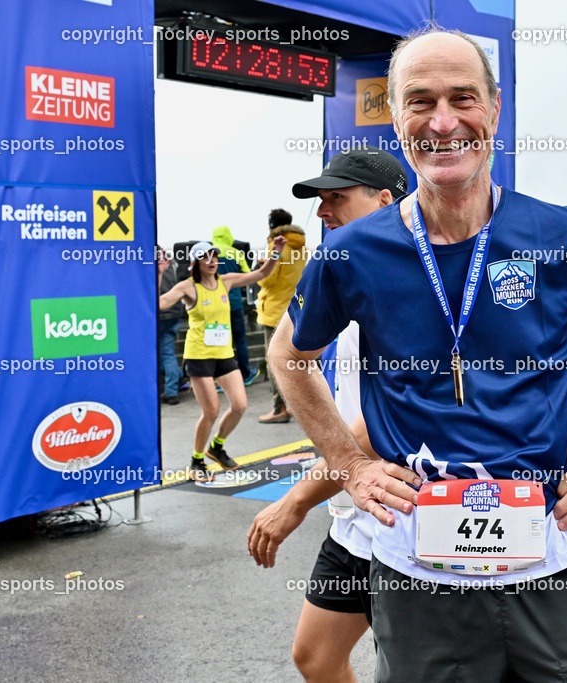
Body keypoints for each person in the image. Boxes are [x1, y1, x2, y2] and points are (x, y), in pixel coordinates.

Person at [268, 26, 567, 680]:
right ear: (397, 116)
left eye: (463, 98)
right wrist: (349, 464)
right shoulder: (353, 251)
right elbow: (287, 356)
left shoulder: (565, 232)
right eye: (420, 101)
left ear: (495, 108)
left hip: (556, 565)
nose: (443, 121)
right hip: (418, 577)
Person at [247, 146, 408, 682]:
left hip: (409, 516)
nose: (322, 211)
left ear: (386, 201)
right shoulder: (348, 272)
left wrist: (294, 501)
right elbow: (290, 357)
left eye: (337, 198)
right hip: (356, 515)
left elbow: (380, 425)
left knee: (412, 667)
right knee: (315, 657)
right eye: (320, 200)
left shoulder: (421, 287)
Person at [158, 236, 286, 480]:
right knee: (211, 411)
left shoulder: (225, 282)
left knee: (239, 405)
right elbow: (160, 303)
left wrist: (276, 252)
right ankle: (196, 461)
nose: (212, 261)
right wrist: (160, 274)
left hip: (224, 354)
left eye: (214, 256)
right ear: (195, 262)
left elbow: (260, 275)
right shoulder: (187, 287)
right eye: (206, 257)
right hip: (199, 357)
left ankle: (216, 446)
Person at [257, 209, 307, 424]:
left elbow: (267, 280)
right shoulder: (301, 246)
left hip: (275, 311)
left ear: (271, 225)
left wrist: (262, 267)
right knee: (297, 361)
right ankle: (301, 406)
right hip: (296, 309)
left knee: (275, 362)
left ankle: (280, 408)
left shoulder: (276, 247)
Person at [212, 226, 261, 386]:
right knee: (240, 341)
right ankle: (245, 374)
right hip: (234, 304)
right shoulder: (235, 253)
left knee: (219, 342)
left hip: (215, 305)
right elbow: (248, 275)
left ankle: (220, 380)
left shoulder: (209, 254)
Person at [157, 249, 183, 405]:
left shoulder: (147, 263)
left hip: (158, 314)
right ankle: (173, 389)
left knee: (161, 353)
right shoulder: (172, 262)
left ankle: (169, 388)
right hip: (174, 312)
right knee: (168, 353)